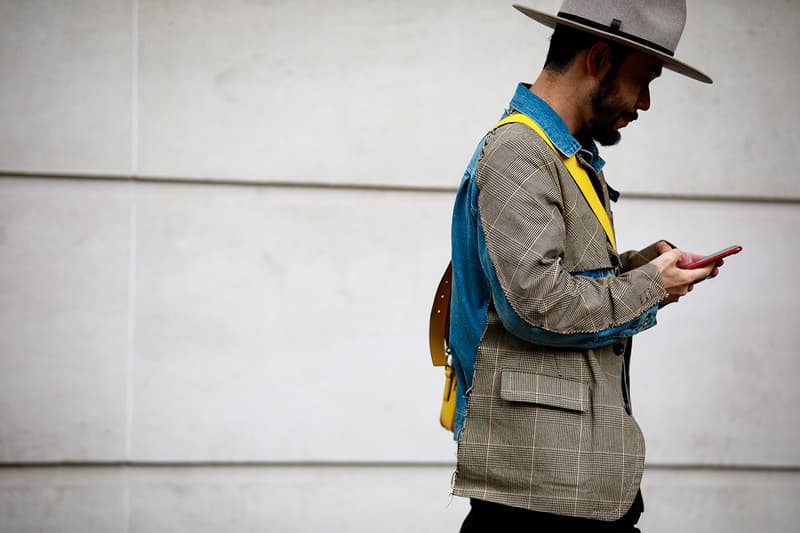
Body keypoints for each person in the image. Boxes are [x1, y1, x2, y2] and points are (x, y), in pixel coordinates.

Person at [448, 1, 720, 531]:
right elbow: (538, 305)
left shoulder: (557, 152)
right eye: (645, 78)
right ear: (597, 58)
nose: (645, 103)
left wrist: (646, 267)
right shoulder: (520, 152)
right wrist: (650, 285)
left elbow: (561, 279)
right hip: (540, 496)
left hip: (569, 486)